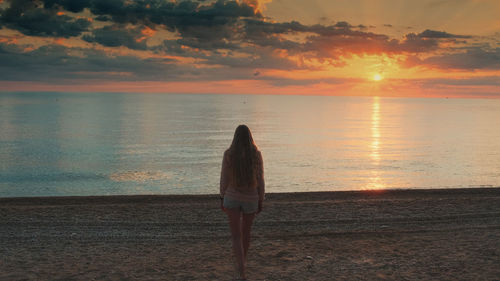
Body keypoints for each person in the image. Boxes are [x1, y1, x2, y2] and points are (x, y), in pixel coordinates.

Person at [220, 125, 265, 281]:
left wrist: (222, 197)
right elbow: (260, 179)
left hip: (232, 197)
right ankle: (242, 266)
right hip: (251, 198)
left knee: (236, 236)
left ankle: (241, 268)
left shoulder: (229, 154)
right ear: (250, 137)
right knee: (246, 233)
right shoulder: (256, 155)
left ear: (235, 137)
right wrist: (261, 199)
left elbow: (224, 178)